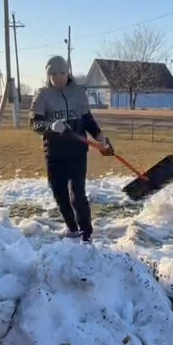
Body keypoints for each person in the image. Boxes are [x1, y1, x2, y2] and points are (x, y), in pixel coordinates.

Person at [30, 56, 114, 241]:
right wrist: (51, 126)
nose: (58, 77)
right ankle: (72, 228)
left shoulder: (78, 93)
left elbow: (88, 120)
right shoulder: (42, 95)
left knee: (78, 194)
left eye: (61, 72)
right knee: (59, 193)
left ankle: (86, 234)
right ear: (48, 75)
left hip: (77, 152)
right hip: (55, 153)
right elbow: (35, 124)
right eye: (53, 74)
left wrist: (101, 139)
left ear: (68, 72)